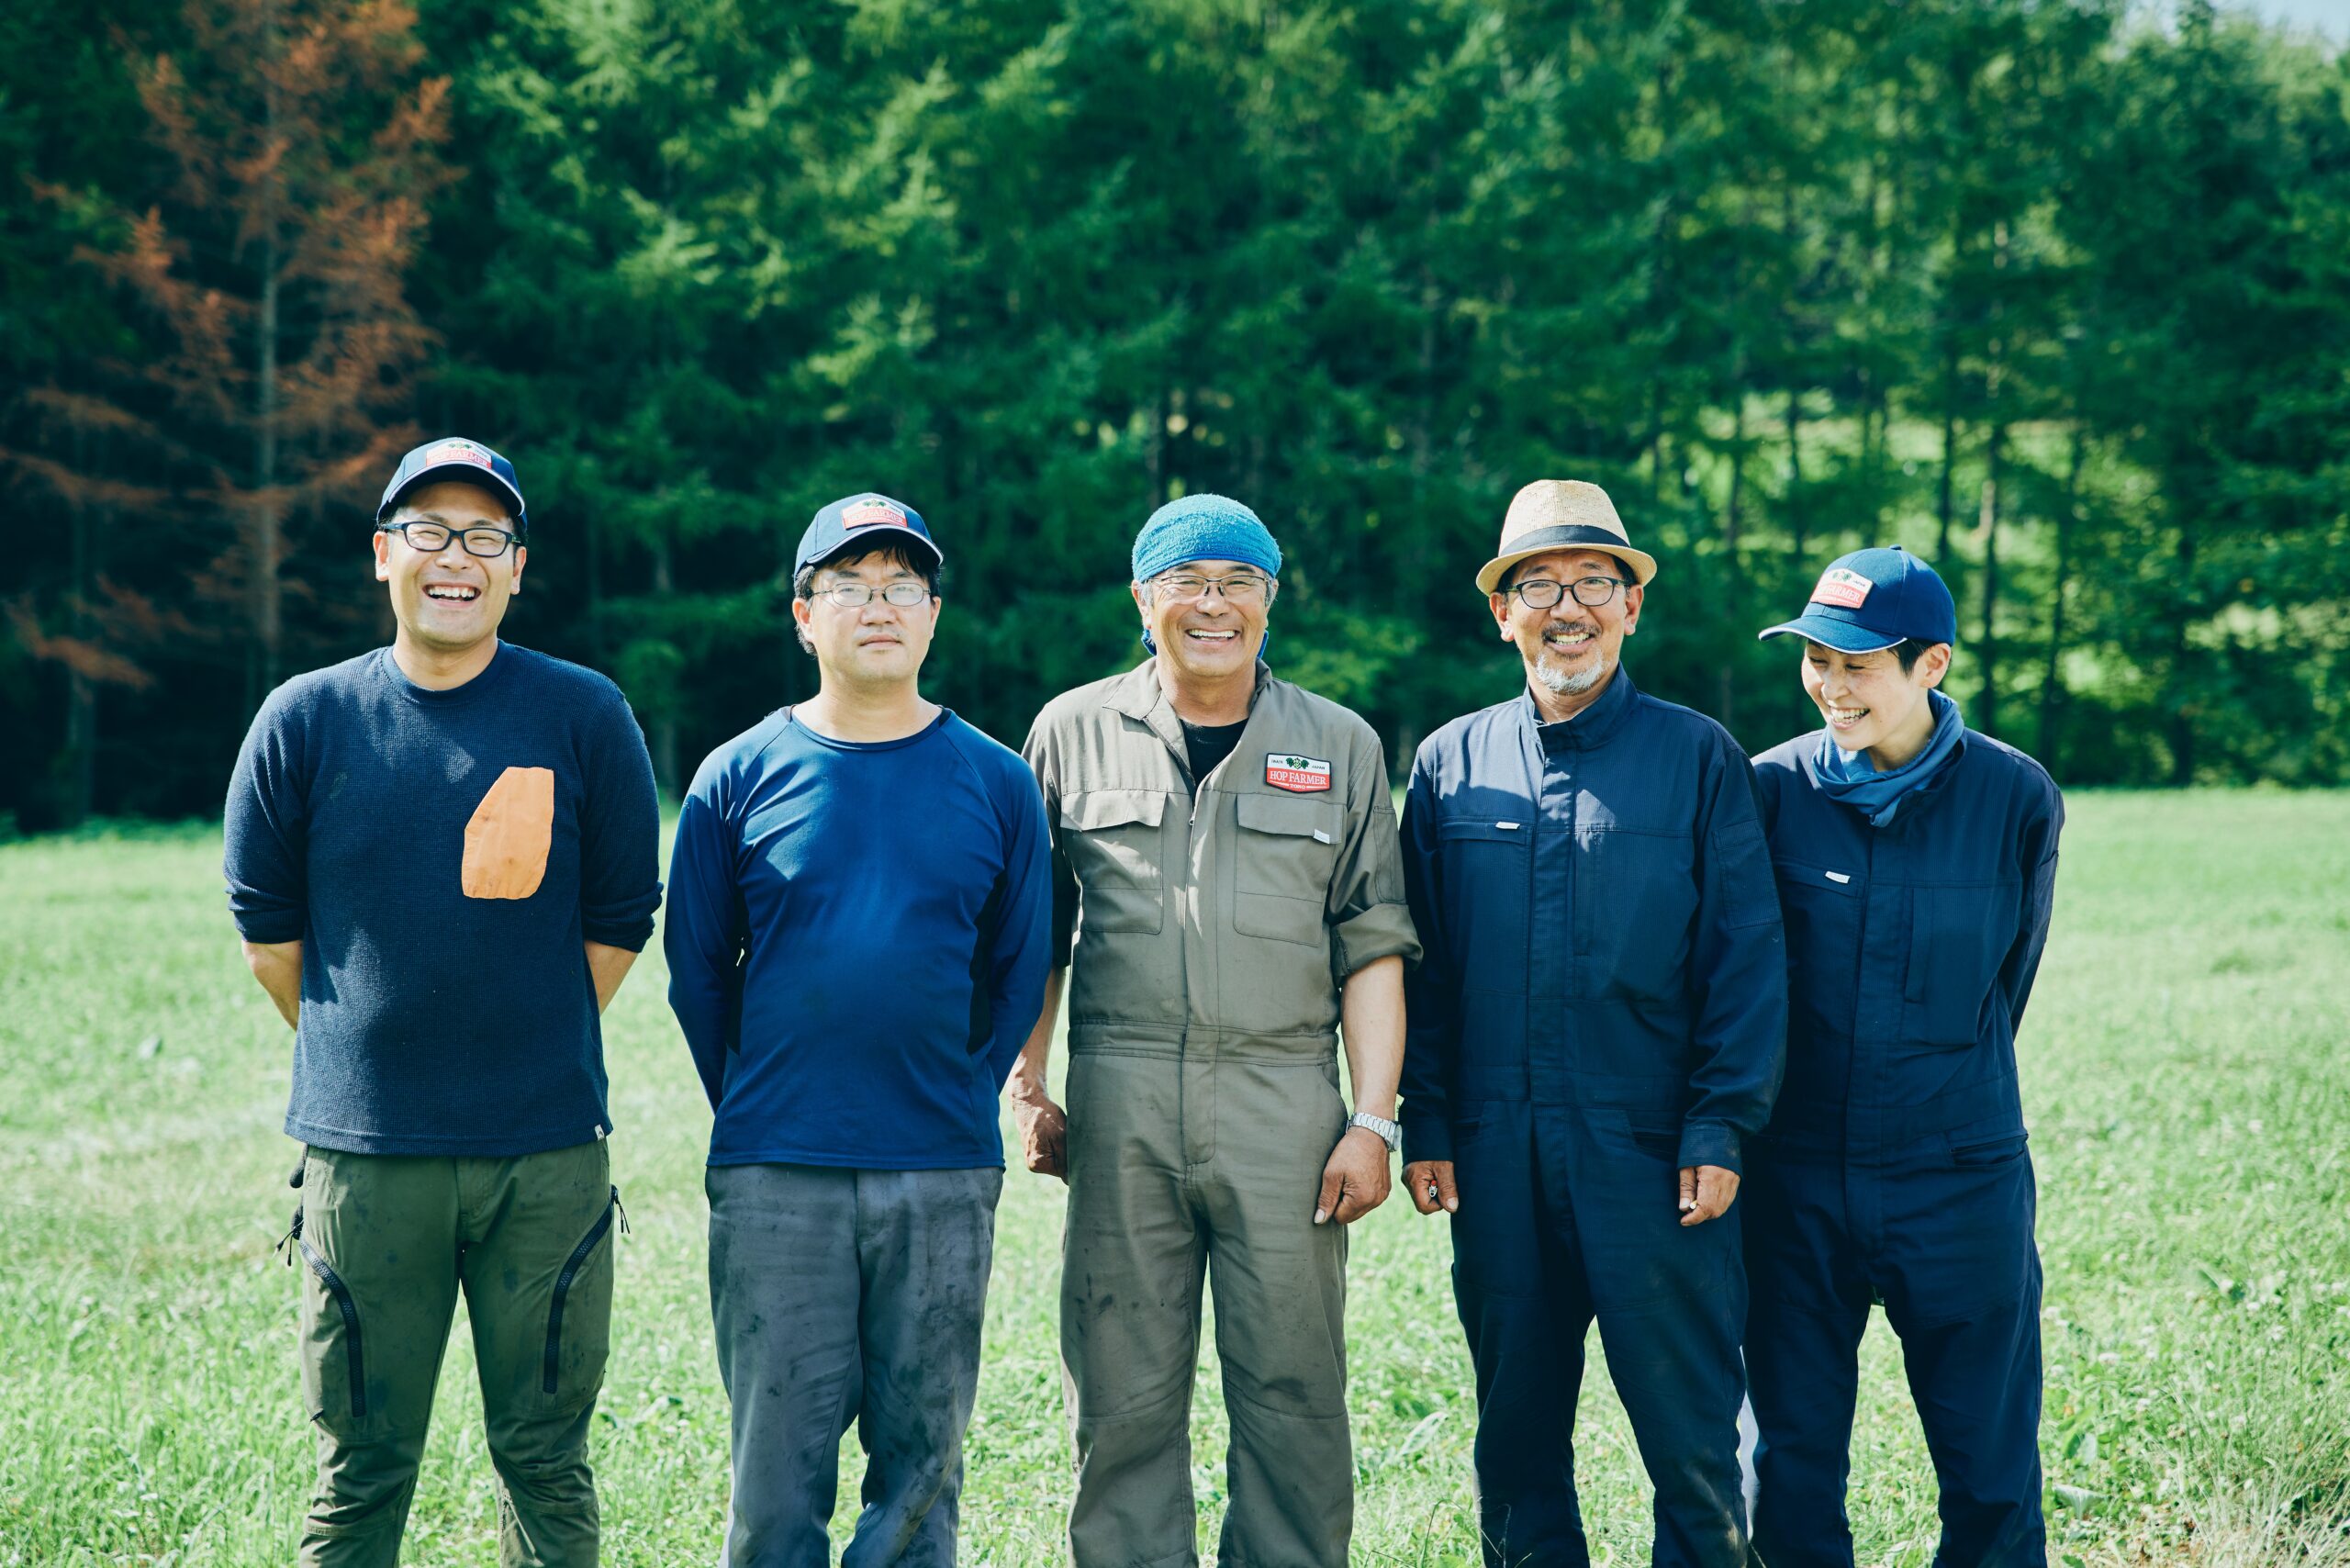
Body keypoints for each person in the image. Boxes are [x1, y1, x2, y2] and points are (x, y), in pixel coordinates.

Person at [224, 437, 662, 1568]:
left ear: (519, 565)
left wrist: (527, 1032)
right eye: (428, 532)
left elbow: (620, 914)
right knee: (359, 1469)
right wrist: (369, 1053)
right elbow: (269, 934)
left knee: (548, 1461)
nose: (454, 557)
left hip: (545, 1155)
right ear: (384, 555)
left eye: (484, 536)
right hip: (366, 1162)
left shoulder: (584, 713)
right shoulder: (305, 719)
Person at [1010, 493, 1420, 1568]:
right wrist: (1031, 1083)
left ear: (1270, 603)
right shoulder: (1069, 729)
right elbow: (1034, 932)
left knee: (1294, 1396)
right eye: (1187, 581)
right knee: (1120, 1394)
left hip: (1283, 1102)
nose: (1213, 604)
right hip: (1120, 1100)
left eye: (1240, 582)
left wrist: (1370, 1120)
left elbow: (1371, 943)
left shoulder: (1339, 742)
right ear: (1143, 598)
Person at [1396, 478, 1785, 1566]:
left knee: (1690, 1429)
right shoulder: (1447, 762)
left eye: (1592, 583)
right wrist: (1422, 1116)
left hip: (1653, 1149)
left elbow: (1745, 958)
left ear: (1630, 605)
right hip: (1494, 1149)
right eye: (1539, 585)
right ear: (1502, 611)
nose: (1566, 606)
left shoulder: (1699, 756)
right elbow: (1416, 963)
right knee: (1515, 1430)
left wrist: (1719, 1127)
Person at [666, 492, 1053, 1568]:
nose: (876, 607)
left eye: (900, 587)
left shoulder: (997, 781)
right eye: (848, 586)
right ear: (803, 614)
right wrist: (758, 1099)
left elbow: (1018, 968)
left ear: (933, 615)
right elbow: (696, 976)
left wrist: (954, 1091)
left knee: (922, 1465)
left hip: (939, 1164)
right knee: (774, 1468)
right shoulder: (734, 778)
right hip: (774, 1168)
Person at [1743, 547, 2063, 1567]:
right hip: (1794, 1181)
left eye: (1858, 663)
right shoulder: (1767, 791)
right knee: (1784, 1471)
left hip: (1959, 1176)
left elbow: (2005, 981)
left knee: (1989, 1469)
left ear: (1932, 665)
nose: (1831, 687)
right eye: (1814, 661)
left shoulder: (2016, 797)